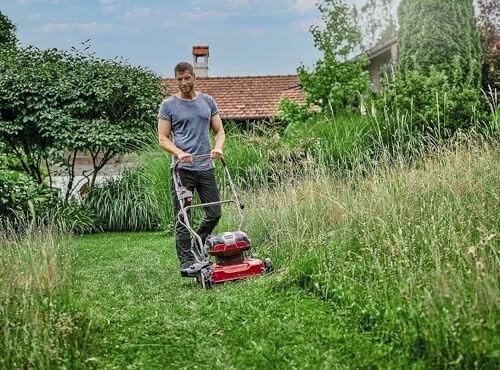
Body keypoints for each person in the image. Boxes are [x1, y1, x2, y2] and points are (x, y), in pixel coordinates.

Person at [158, 62, 225, 275]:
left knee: (214, 212)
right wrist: (178, 153)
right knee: (183, 216)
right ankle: (186, 262)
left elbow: (219, 131)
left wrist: (218, 148)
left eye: (187, 78)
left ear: (194, 77)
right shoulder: (168, 105)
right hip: (182, 171)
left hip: (206, 167)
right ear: (175, 80)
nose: (183, 83)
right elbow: (162, 138)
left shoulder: (208, 101)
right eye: (179, 79)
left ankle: (199, 241)